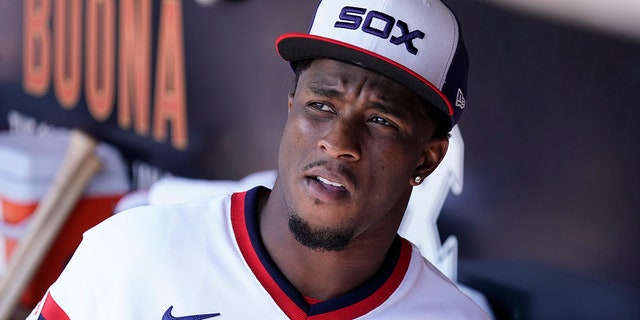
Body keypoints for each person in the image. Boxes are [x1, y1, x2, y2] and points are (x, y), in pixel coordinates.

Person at [28, 0, 490, 318]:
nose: (337, 141)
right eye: (321, 106)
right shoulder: (132, 255)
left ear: (427, 159)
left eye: (381, 121)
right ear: (291, 109)